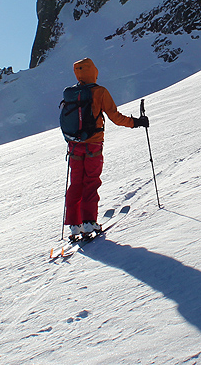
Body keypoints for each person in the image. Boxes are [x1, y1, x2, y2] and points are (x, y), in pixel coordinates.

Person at [63, 57, 149, 239]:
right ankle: (88, 222)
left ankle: (74, 225)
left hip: (74, 146)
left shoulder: (72, 93)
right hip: (93, 144)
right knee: (91, 182)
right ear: (93, 71)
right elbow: (115, 117)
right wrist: (137, 123)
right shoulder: (99, 92)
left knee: (76, 184)